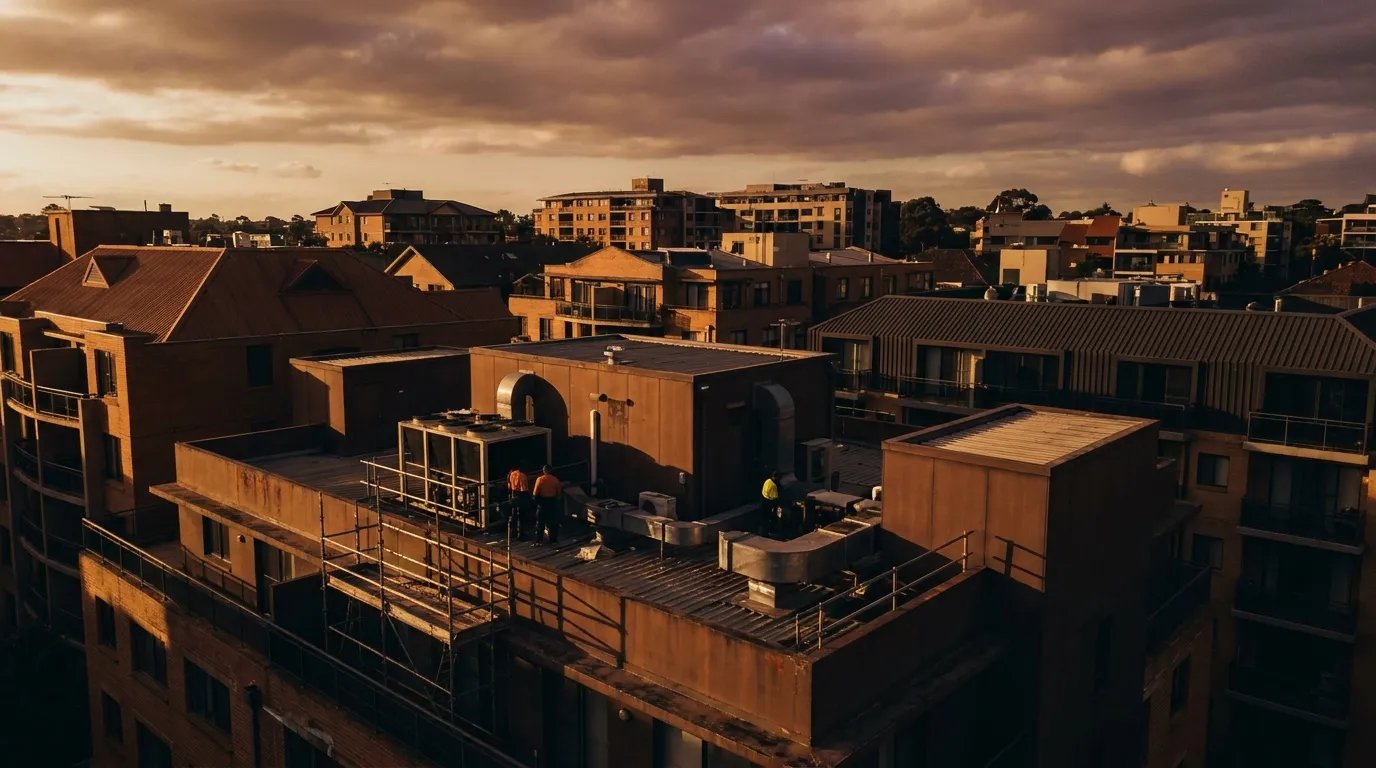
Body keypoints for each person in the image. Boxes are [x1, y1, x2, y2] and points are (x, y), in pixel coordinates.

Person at [532, 465, 563, 545]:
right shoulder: (555, 480)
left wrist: (537, 503)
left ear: (544, 471)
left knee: (540, 523)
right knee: (553, 522)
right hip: (552, 502)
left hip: (543, 502)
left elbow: (535, 493)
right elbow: (559, 495)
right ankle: (553, 540)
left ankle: (539, 540)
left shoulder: (539, 479)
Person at [507, 466, 532, 541]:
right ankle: (520, 534)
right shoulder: (523, 476)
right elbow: (524, 490)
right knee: (521, 515)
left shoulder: (512, 474)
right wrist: (530, 499)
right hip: (520, 495)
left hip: (513, 493)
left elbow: (509, 485)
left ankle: (512, 532)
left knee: (513, 514)